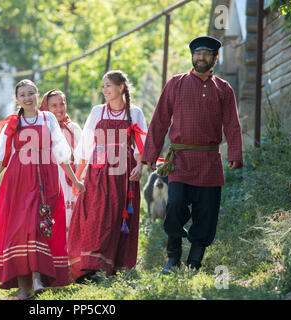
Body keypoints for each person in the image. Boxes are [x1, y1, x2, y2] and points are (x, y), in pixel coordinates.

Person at [141, 36, 243, 274]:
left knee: (206, 213)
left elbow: (232, 124)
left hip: (210, 161)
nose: (201, 58)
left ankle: (194, 262)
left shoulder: (223, 89)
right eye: (197, 53)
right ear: (192, 56)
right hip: (180, 160)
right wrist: (149, 154)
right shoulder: (176, 83)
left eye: (206, 54)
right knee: (174, 204)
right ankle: (172, 257)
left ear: (215, 58)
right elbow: (159, 121)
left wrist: (236, 153)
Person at [0, 79, 85, 300]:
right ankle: (23, 286)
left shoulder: (47, 118)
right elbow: (3, 157)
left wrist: (74, 180)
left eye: (31, 93)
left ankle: (37, 278)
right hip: (18, 181)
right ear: (17, 99)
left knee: (39, 226)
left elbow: (60, 151)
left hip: (45, 179)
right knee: (19, 229)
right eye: (23, 94)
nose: (27, 98)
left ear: (37, 95)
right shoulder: (12, 122)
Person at [68, 70, 147, 283]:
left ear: (121, 87)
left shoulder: (135, 113)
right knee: (94, 218)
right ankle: (90, 269)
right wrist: (78, 177)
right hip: (98, 172)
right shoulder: (97, 111)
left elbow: (141, 146)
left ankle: (110, 269)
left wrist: (140, 167)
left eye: (108, 86)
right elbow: (86, 145)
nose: (104, 90)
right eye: (103, 86)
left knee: (115, 220)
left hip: (123, 174)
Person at [39, 89, 82, 234]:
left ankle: (71, 255)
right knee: (56, 220)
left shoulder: (73, 128)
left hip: (72, 178)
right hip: (53, 179)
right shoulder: (43, 129)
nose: (59, 109)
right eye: (54, 105)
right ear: (46, 108)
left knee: (73, 222)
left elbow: (83, 156)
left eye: (62, 104)